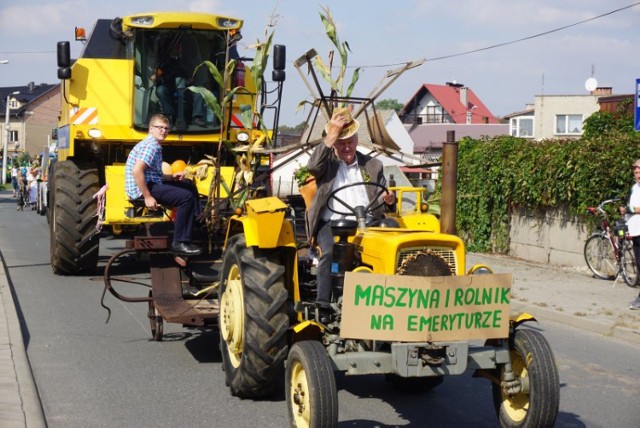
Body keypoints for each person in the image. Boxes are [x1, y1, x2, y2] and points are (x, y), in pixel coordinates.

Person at [305, 108, 396, 320]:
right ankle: (324, 305)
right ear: (335, 144)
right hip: (333, 222)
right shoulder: (326, 165)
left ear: (356, 141)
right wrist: (332, 134)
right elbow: (312, 166)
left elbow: (383, 195)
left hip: (368, 221)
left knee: (394, 234)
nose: (347, 147)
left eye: (350, 142)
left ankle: (395, 293)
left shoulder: (373, 165)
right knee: (330, 252)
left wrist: (389, 200)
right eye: (342, 143)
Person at [125, 114, 202, 257]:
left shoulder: (155, 145)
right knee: (186, 197)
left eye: (166, 128)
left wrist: (171, 177)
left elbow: (154, 174)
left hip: (151, 182)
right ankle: (179, 242)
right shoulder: (151, 146)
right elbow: (137, 171)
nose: (164, 131)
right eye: (160, 127)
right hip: (142, 188)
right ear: (151, 129)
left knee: (188, 185)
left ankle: (195, 222)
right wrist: (147, 197)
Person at [152, 41, 206, 127]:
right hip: (169, 87)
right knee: (160, 90)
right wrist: (157, 76)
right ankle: (169, 115)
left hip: (185, 88)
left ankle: (196, 117)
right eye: (176, 47)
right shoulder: (165, 62)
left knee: (199, 91)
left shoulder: (187, 61)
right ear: (171, 49)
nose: (178, 49)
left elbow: (194, 76)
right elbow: (157, 74)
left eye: (179, 47)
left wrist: (189, 80)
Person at [624, 159, 640, 309]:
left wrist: (630, 210)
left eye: (639, 171)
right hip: (635, 230)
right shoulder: (635, 187)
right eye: (635, 172)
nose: (637, 174)